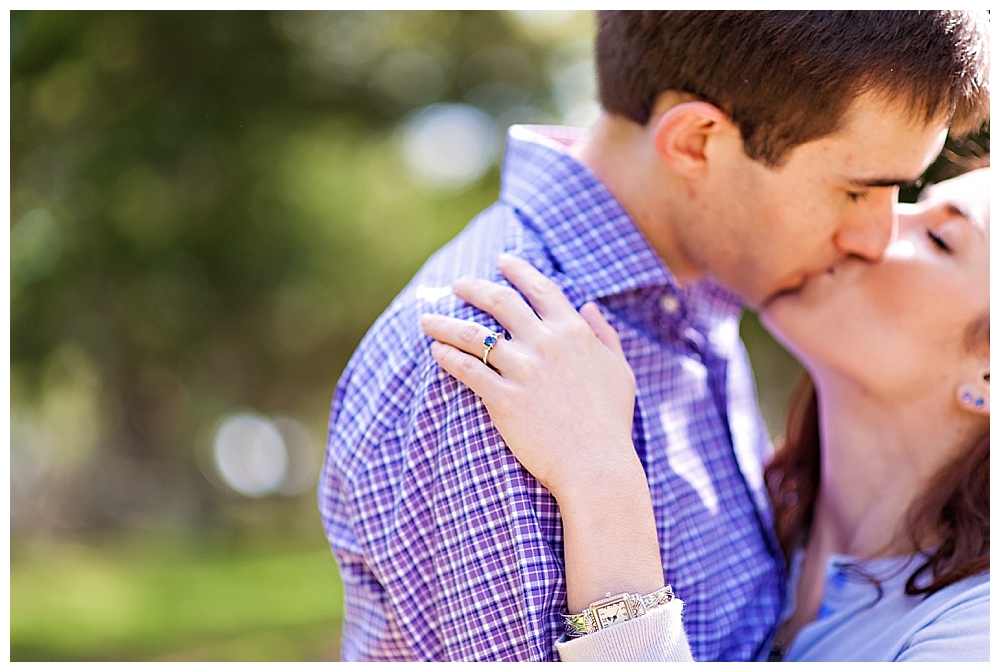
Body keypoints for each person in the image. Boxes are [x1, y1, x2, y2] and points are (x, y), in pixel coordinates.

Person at [318, 11, 989, 661]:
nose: (873, 238)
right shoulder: (497, 359)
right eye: (856, 191)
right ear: (696, 142)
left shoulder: (703, 293)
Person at [419, 165, 990, 661]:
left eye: (941, 237)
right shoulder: (757, 512)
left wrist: (602, 482)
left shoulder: (978, 635)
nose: (872, 228)